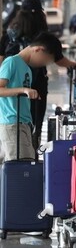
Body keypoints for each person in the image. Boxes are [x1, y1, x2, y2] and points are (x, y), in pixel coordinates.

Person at [0, 0, 76, 151]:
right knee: (32, 127)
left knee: (14, 138)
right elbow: (59, 59)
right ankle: (31, 152)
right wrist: (73, 64)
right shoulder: (41, 38)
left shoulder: (9, 34)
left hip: (12, 104)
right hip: (35, 87)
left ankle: (26, 152)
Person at [0, 32, 62, 162]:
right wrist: (23, 90)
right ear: (38, 49)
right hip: (12, 123)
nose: (42, 64)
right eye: (45, 60)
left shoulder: (27, 69)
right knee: (21, 168)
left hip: (24, 123)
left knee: (25, 164)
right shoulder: (11, 62)